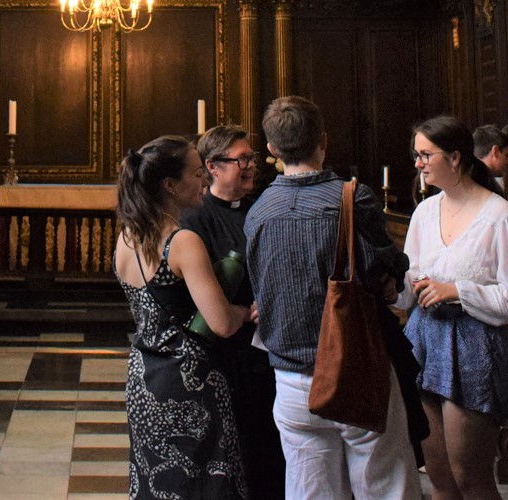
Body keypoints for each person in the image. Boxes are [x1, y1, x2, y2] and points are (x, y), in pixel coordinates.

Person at [244, 96, 421, 499]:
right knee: (385, 486)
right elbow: (386, 269)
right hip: (352, 366)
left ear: (271, 150)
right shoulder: (352, 199)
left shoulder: (258, 211)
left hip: (289, 378)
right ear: (324, 140)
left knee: (311, 492)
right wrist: (390, 278)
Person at [400, 116, 508, 500]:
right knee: (440, 477)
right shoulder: (425, 212)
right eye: (416, 155)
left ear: (456, 158)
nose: (418, 163)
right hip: (424, 338)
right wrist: (390, 286)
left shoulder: (499, 217)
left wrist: (457, 290)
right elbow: (407, 284)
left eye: (426, 155)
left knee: (470, 477)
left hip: (473, 344)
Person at [114, 135, 252, 499]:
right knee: (203, 484)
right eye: (195, 173)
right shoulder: (182, 241)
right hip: (189, 381)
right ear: (170, 186)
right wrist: (242, 311)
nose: (204, 180)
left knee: (157, 480)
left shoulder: (127, 236)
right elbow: (221, 323)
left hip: (144, 374)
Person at [180, 124, 284, 498]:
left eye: (251, 158)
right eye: (241, 159)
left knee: (271, 453)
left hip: (268, 350)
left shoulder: (261, 208)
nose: (251, 166)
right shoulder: (195, 220)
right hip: (228, 356)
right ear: (213, 167)